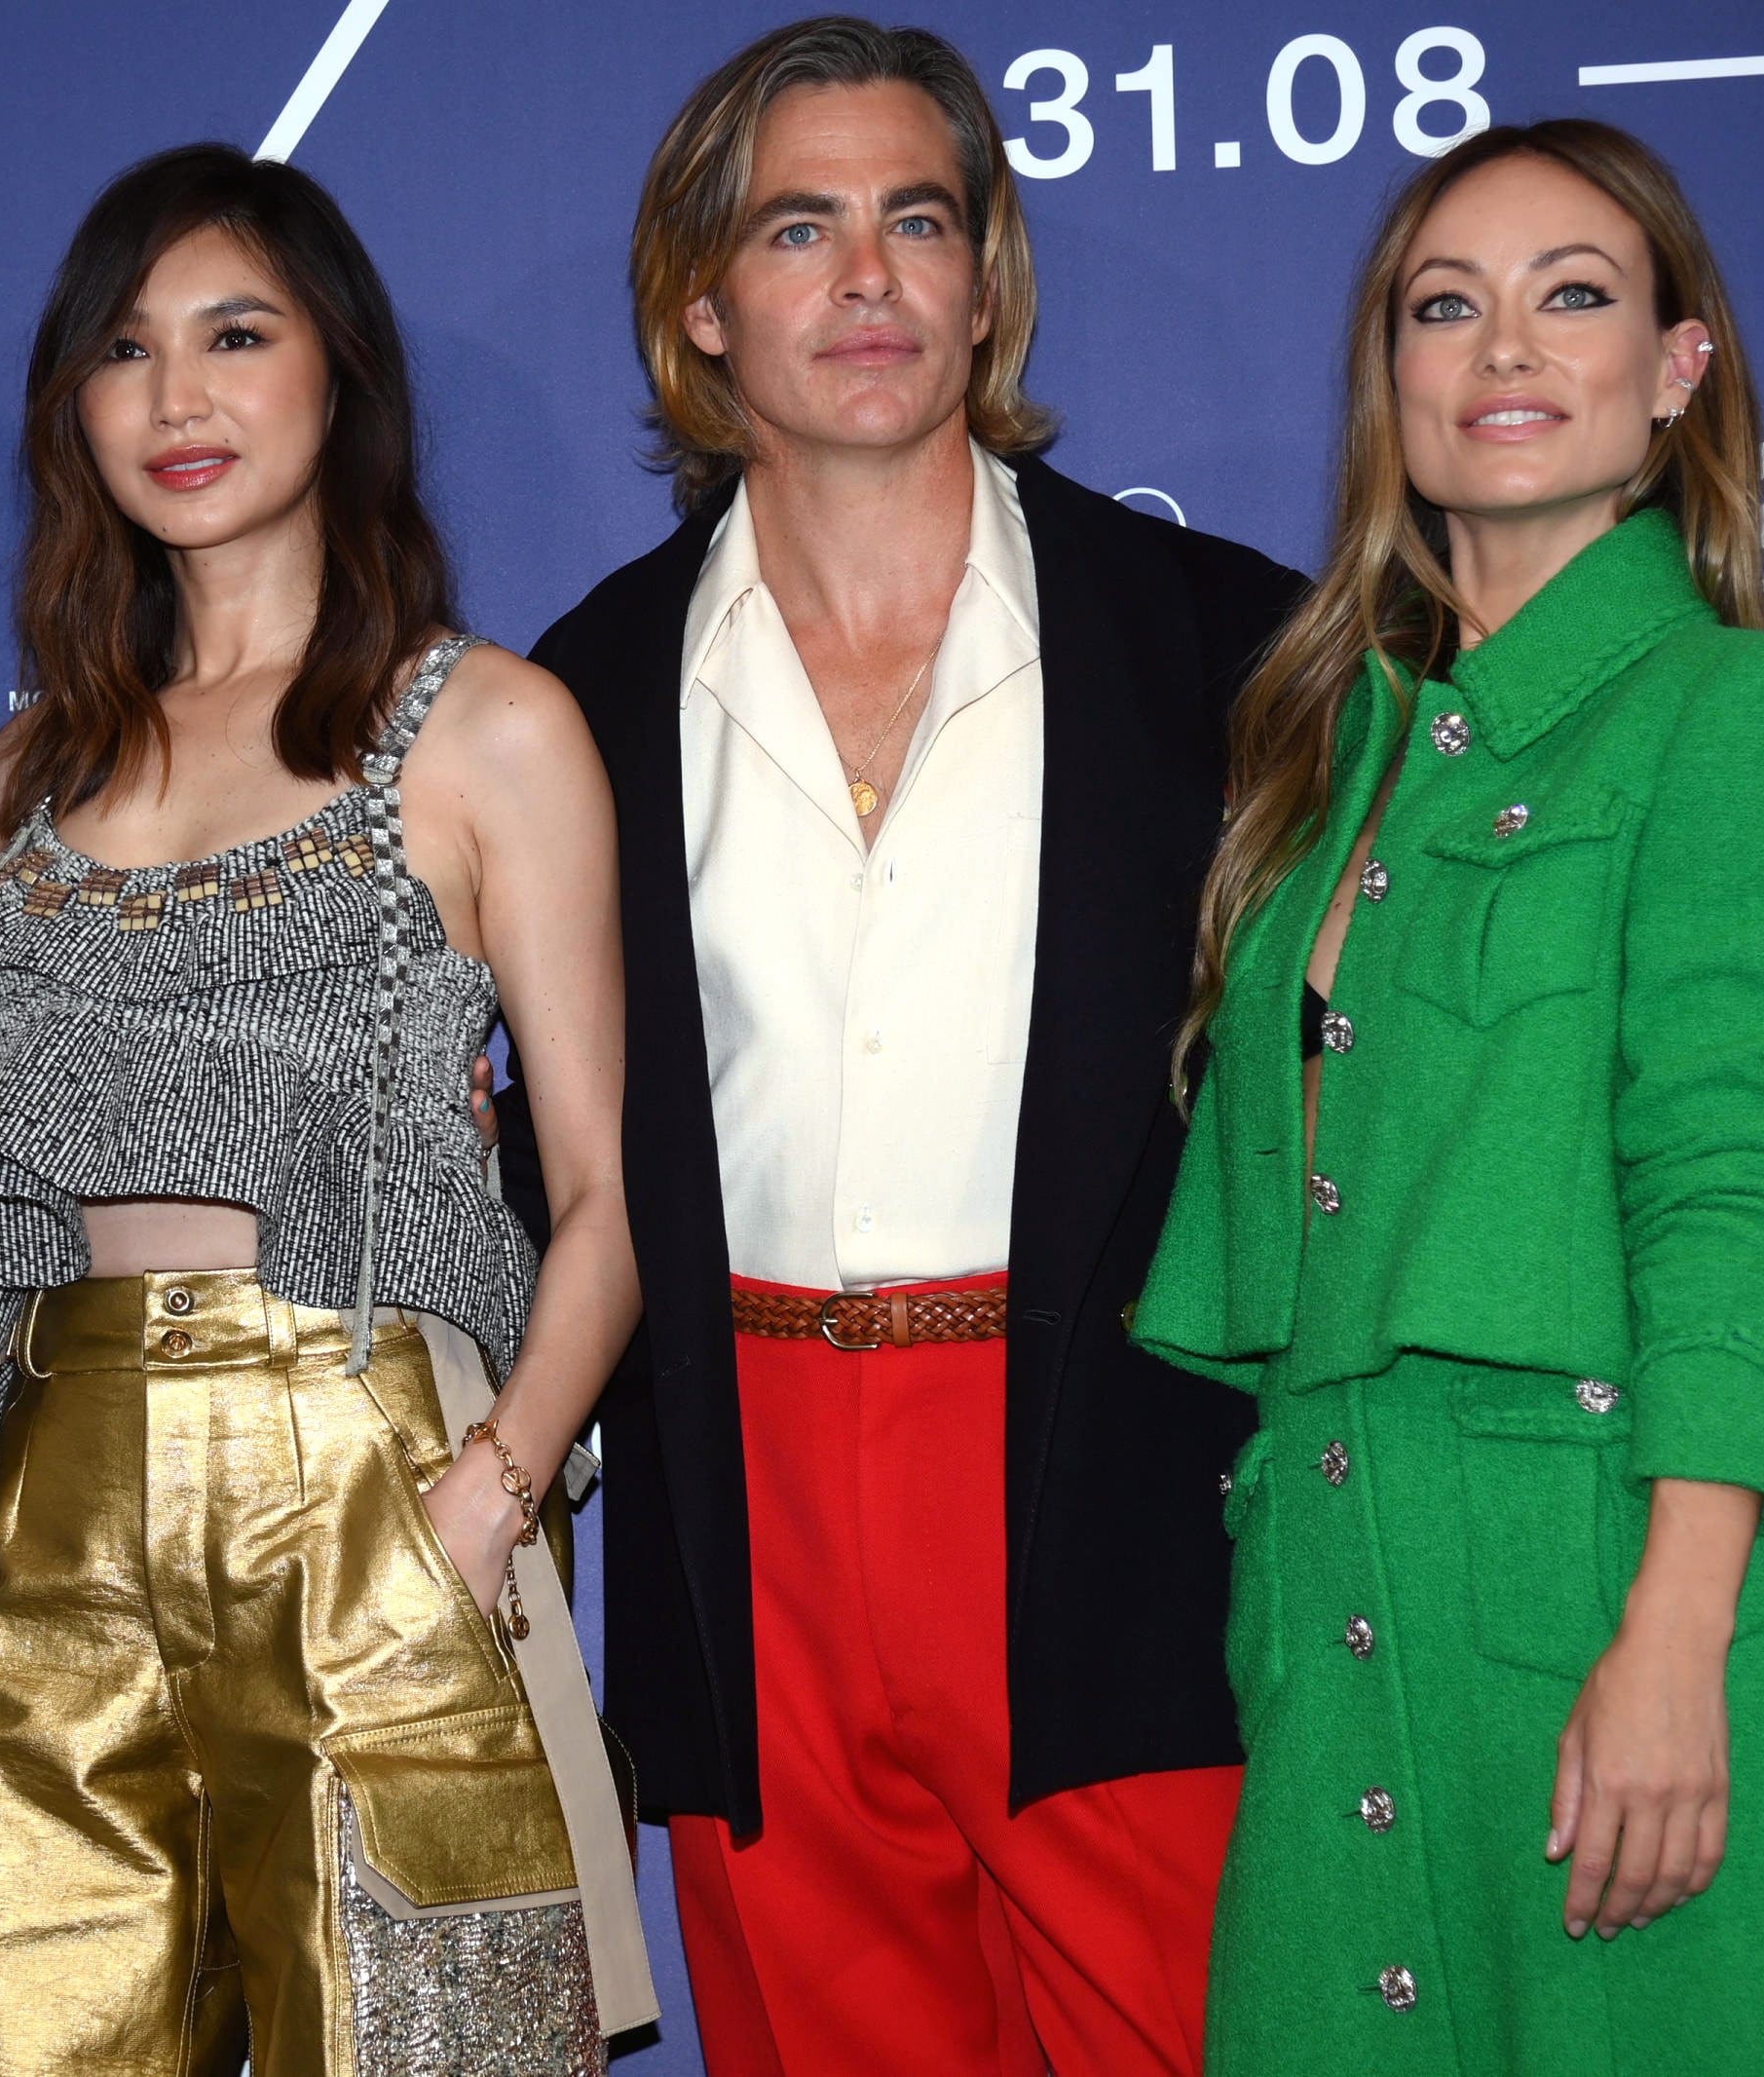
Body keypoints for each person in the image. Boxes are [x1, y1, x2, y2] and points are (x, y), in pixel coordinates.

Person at [495, 19, 1304, 2075]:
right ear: (705, 306)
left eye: (913, 220)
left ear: (984, 279)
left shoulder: (1232, 645)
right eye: (799, 229)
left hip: (1105, 1498)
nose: (866, 279)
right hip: (744, 1513)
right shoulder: (573, 692)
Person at [1131, 119, 1764, 2072]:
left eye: (1573, 293)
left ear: (1677, 372)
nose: (1503, 344)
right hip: (1335, 1627)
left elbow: (1742, 1185)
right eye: (1443, 304)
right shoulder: (1324, 771)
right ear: (1392, 384)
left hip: (1595, 1605)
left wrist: (1671, 1640)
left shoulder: (1738, 716)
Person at [0, 144, 656, 2077]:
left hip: (372, 1467)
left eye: (238, 334)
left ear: (342, 377)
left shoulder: (482, 725)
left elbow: (602, 1199)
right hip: (55, 1491)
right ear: (77, 412)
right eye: (128, 352)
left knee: (423, 2042)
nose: (181, 396)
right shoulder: (22, 775)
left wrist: (491, 1494)